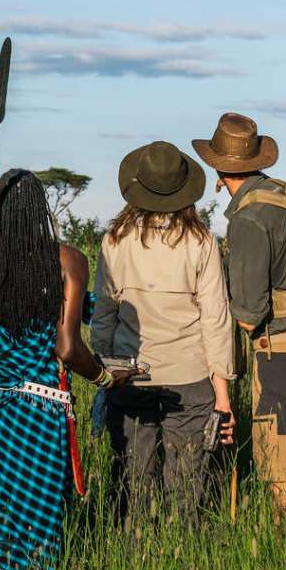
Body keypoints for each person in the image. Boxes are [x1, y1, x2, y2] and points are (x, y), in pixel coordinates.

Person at [0, 169, 132, 570]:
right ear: (42, 211)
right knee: (35, 520)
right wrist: (104, 377)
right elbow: (68, 347)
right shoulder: (66, 261)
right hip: (36, 417)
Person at [193, 112, 286, 517]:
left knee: (282, 470)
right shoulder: (282, 197)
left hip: (282, 356)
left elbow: (250, 315)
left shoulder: (250, 218)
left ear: (219, 168)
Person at [91, 141, 237, 523]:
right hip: (190, 380)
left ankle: (131, 563)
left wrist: (105, 375)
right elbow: (216, 319)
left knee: (132, 487)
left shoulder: (114, 242)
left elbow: (104, 316)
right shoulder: (202, 241)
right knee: (188, 490)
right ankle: (185, 563)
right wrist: (222, 395)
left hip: (127, 378)